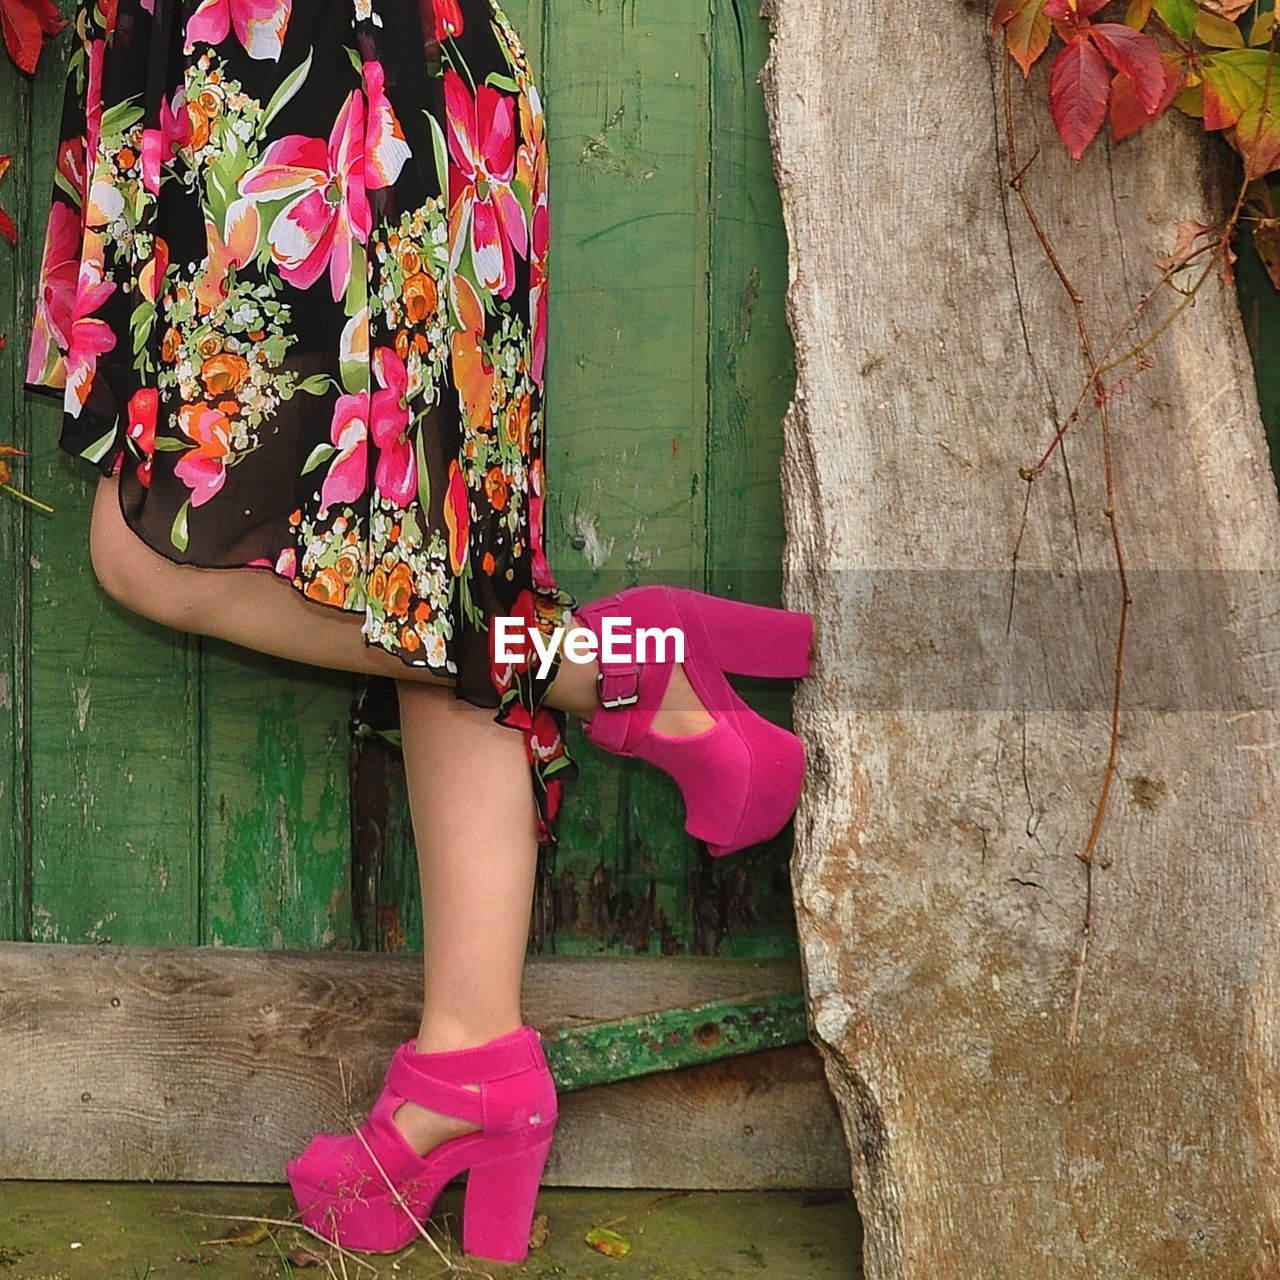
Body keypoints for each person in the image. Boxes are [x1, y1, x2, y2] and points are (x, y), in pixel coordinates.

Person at [23, 0, 813, 1263]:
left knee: (181, 552)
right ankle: (469, 1059)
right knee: (436, 577)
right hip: (344, 82)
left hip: (316, 90)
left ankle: (608, 677)